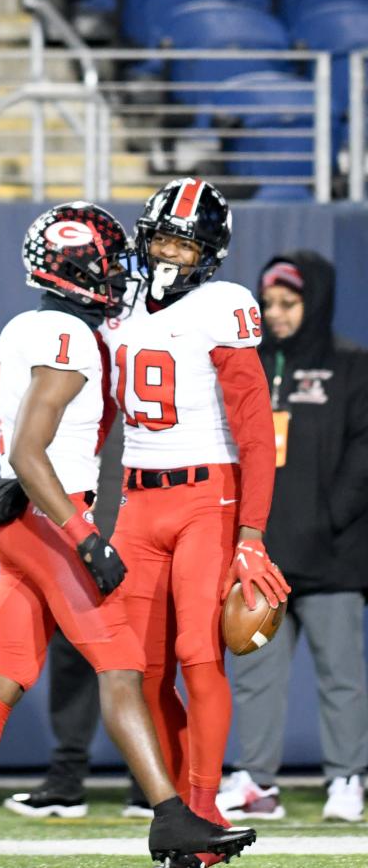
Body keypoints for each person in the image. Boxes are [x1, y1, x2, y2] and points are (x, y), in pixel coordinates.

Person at [0, 202, 255, 868]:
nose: (122, 271)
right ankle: (171, 818)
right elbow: (31, 448)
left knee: (6, 675)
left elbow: (25, 445)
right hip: (52, 519)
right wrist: (86, 536)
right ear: (80, 270)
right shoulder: (67, 337)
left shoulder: (27, 327)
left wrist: (31, 488)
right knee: (124, 669)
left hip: (24, 519)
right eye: (108, 261)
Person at [102, 178, 290, 866]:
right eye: (160, 238)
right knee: (138, 671)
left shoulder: (225, 305)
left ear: (209, 251)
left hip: (204, 495)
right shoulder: (118, 303)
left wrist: (252, 531)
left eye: (182, 241)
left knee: (197, 654)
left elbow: (255, 431)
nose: (168, 252)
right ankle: (177, 807)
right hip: (134, 499)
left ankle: (206, 807)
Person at [217, 252, 368, 823]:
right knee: (256, 674)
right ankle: (256, 782)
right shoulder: (245, 364)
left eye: (289, 303)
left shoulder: (354, 365)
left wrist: (329, 517)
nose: (276, 314)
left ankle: (347, 780)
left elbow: (364, 453)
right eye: (269, 303)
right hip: (262, 557)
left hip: (335, 555)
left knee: (342, 677)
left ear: (316, 301)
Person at [2, 631, 152, 819]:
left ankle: (149, 786)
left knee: (146, 665)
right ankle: (67, 783)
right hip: (81, 603)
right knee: (75, 654)